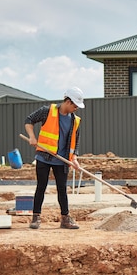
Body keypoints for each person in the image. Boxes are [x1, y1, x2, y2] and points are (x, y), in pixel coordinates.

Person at [23, 87, 85, 229]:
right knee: (41, 186)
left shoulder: (75, 121)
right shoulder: (47, 111)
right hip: (44, 156)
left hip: (62, 160)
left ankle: (65, 219)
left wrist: (74, 158)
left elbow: (76, 142)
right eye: (75, 105)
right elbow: (29, 120)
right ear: (68, 101)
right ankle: (36, 217)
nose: (76, 108)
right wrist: (32, 137)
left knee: (62, 189)